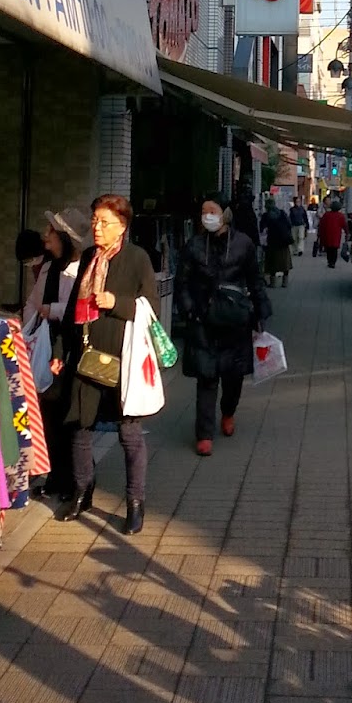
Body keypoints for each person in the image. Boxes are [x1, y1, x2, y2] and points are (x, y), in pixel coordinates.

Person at [56, 195, 158, 535]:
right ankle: (82, 491)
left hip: (123, 357)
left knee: (129, 434)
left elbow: (151, 308)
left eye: (105, 223)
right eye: (95, 221)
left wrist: (117, 303)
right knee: (79, 427)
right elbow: (73, 308)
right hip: (85, 355)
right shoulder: (88, 257)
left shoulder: (137, 258)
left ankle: (135, 502)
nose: (97, 228)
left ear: (123, 227)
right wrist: (61, 350)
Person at [175, 193, 270, 456]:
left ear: (225, 214)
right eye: (204, 211)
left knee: (233, 376)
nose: (208, 216)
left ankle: (228, 411)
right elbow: (181, 282)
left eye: (213, 211)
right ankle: (204, 434)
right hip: (203, 320)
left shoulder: (243, 244)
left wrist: (261, 311)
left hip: (235, 320)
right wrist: (189, 310)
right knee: (206, 378)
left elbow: (255, 280)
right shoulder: (194, 245)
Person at [26, 207, 85, 500]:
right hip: (44, 345)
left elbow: (83, 309)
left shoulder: (81, 270)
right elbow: (33, 305)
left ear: (64, 237)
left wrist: (56, 311)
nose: (46, 236)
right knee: (47, 411)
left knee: (64, 413)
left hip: (68, 347)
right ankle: (53, 475)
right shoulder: (49, 267)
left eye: (51, 231)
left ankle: (70, 478)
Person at [262, 197, 294, 287]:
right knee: (285, 262)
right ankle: (285, 282)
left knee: (272, 262)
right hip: (283, 241)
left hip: (272, 242)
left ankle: (273, 283)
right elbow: (289, 224)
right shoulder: (282, 213)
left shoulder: (266, 215)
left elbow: (262, 229)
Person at [316, 198, 347, 268]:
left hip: (327, 234)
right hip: (336, 235)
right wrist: (347, 232)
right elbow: (344, 225)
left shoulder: (327, 215)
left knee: (328, 248)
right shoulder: (341, 216)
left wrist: (320, 233)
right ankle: (333, 262)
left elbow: (322, 224)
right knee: (334, 249)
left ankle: (329, 261)